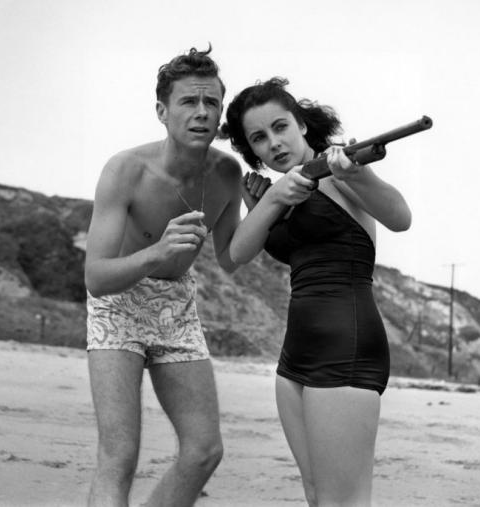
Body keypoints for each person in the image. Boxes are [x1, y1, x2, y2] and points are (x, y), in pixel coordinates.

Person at [222, 77, 412, 507]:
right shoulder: (283, 191)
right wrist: (269, 204)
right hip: (294, 357)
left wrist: (358, 175)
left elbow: (401, 218)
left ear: (302, 125)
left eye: (280, 126)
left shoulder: (339, 168)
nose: (274, 142)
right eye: (259, 138)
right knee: (316, 496)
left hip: (345, 349)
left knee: (342, 502)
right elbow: (238, 253)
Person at [84, 46, 242, 507]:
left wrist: (270, 204)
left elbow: (230, 258)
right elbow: (96, 277)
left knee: (203, 451)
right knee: (119, 457)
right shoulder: (125, 170)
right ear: (162, 111)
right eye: (189, 101)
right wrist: (156, 252)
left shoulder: (227, 173)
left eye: (211, 102)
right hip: (118, 303)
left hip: (176, 306)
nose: (202, 112)